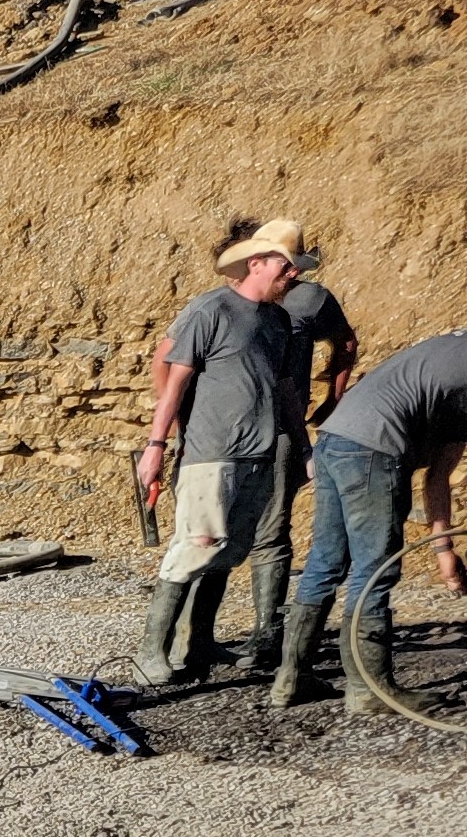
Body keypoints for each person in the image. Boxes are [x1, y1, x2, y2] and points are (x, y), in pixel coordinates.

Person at [135, 223, 298, 685]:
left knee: (228, 550)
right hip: (212, 454)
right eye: (286, 265)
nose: (293, 275)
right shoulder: (211, 310)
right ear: (257, 263)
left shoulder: (279, 321)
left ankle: (199, 640)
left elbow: (283, 387)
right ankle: (152, 653)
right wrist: (156, 445)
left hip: (258, 454)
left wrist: (300, 444)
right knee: (195, 547)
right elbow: (173, 382)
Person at [275, 326, 467, 711]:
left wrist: (443, 552)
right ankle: (368, 689)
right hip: (372, 448)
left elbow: (437, 475)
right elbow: (439, 474)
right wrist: (445, 553)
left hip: (333, 440)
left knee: (326, 562)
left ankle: (291, 680)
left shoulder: (447, 353)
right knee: (375, 568)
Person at [248, 238, 362, 671]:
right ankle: (197, 638)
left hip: (282, 428)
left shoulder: (312, 298)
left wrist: (332, 398)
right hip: (234, 429)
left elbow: (345, 342)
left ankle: (266, 633)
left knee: (273, 526)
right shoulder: (237, 299)